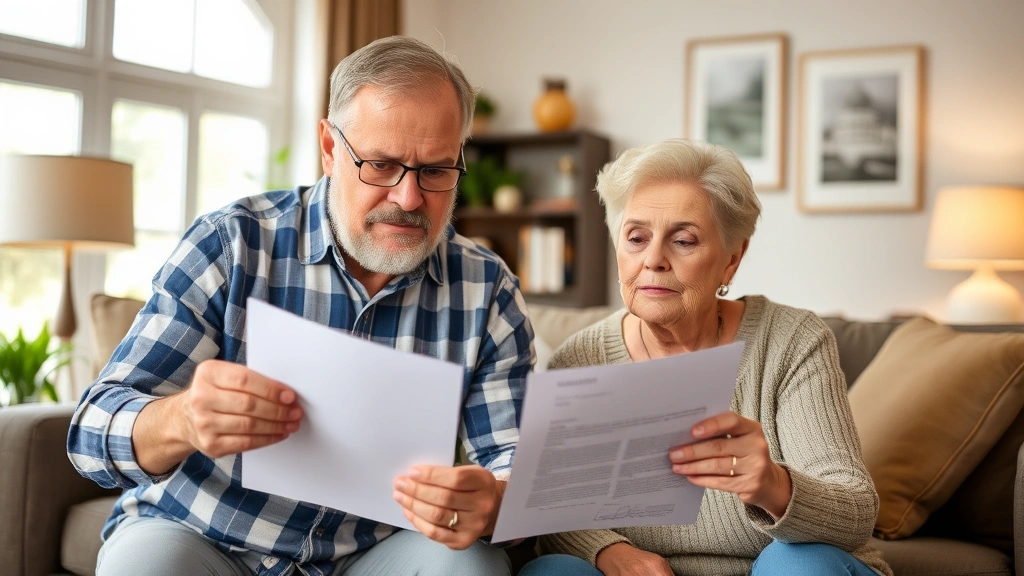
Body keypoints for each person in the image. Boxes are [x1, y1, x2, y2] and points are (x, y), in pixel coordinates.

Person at [67, 36, 532, 576]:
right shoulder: (232, 243)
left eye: (435, 170)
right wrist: (182, 418)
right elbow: (90, 433)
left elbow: (513, 462)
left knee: (471, 566)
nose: (409, 199)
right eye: (380, 165)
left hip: (370, 552)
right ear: (330, 149)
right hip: (200, 532)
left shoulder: (487, 287)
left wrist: (494, 500)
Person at [519, 139, 892, 576]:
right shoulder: (580, 363)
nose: (653, 259)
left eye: (683, 240)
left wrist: (773, 484)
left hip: (783, 568)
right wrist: (610, 551)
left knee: (796, 563)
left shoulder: (792, 343)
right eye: (636, 237)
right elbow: (554, 509)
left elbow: (855, 512)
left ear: (731, 260)